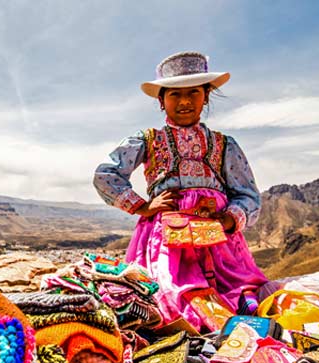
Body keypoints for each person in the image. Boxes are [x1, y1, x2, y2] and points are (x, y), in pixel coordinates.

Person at [93, 51, 268, 331]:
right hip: (167, 237)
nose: (185, 101)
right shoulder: (147, 140)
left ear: (206, 96)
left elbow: (248, 195)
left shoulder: (225, 145)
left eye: (194, 93)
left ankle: (240, 306)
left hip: (218, 241)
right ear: (161, 101)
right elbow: (106, 174)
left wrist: (227, 219)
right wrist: (142, 207)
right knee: (171, 291)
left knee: (237, 285)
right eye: (175, 94)